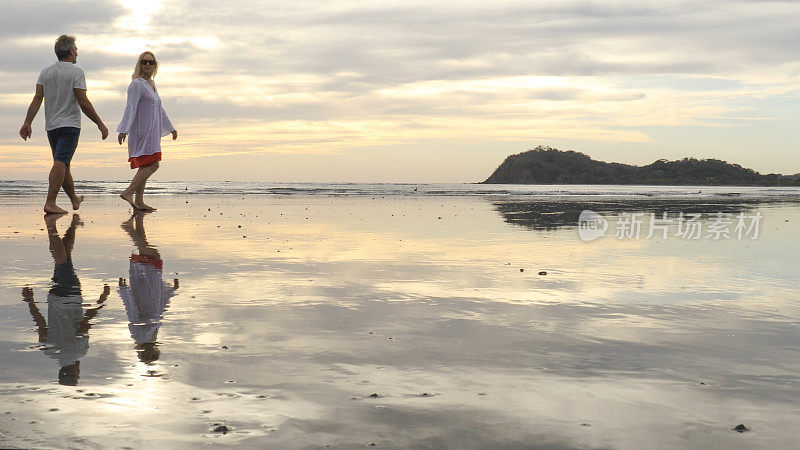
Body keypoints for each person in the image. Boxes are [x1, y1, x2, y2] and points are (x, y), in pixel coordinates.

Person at [19, 35, 109, 215]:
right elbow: (83, 102)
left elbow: (38, 98)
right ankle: (50, 203)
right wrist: (100, 123)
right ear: (70, 51)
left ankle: (74, 199)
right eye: (76, 49)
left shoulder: (45, 72)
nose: (77, 53)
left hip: (52, 126)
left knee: (63, 163)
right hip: (70, 126)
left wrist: (27, 122)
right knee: (61, 162)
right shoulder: (77, 72)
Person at [22, 213, 109, 385]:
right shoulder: (49, 351)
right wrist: (30, 301)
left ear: (74, 371)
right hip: (54, 297)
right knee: (64, 258)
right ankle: (73, 225)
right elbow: (40, 323)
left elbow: (85, 323)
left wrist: (102, 300)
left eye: (77, 374)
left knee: (61, 260)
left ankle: (51, 226)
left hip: (71, 295)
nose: (79, 370)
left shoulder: (79, 352)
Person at [117, 51, 177, 211]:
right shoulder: (137, 84)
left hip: (152, 131)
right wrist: (123, 129)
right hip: (142, 132)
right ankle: (128, 192)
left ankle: (139, 201)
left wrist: (170, 128)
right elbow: (130, 107)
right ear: (140, 64)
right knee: (153, 165)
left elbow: (159, 109)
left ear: (155, 65)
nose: (148, 65)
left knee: (145, 165)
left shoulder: (151, 85)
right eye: (145, 62)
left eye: (151, 62)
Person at [118, 211, 178, 364]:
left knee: (153, 255)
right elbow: (160, 310)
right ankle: (138, 222)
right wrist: (171, 291)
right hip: (152, 291)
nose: (152, 352)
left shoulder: (139, 335)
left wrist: (124, 292)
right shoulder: (152, 336)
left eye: (148, 355)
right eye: (154, 355)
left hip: (143, 291)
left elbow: (131, 312)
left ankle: (130, 229)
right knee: (152, 255)